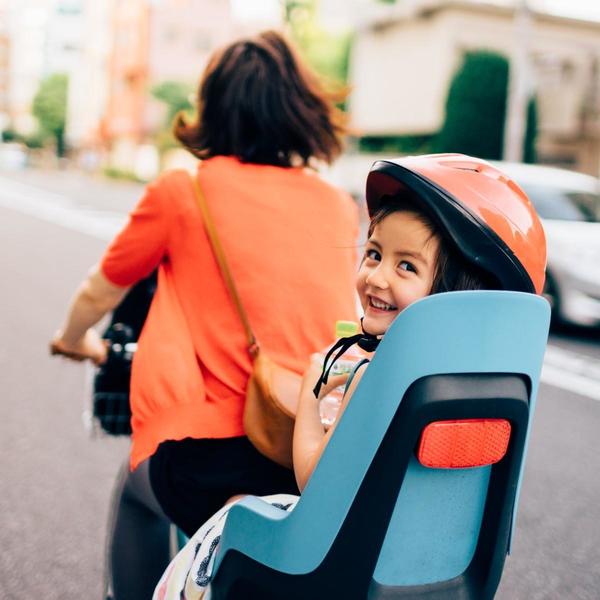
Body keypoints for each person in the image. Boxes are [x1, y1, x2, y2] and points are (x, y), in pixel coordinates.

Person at [151, 153, 547, 599]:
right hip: (436, 575)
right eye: (374, 254)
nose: (375, 277)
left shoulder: (378, 381)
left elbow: (313, 481)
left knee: (239, 511)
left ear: (455, 290)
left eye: (406, 266)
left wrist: (309, 392)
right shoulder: (497, 389)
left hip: (332, 567)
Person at [49, 30, 359, 600]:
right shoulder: (336, 205)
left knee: (138, 498)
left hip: (207, 444)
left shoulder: (182, 191)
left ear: (212, 106)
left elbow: (102, 291)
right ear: (301, 109)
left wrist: (71, 338)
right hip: (311, 446)